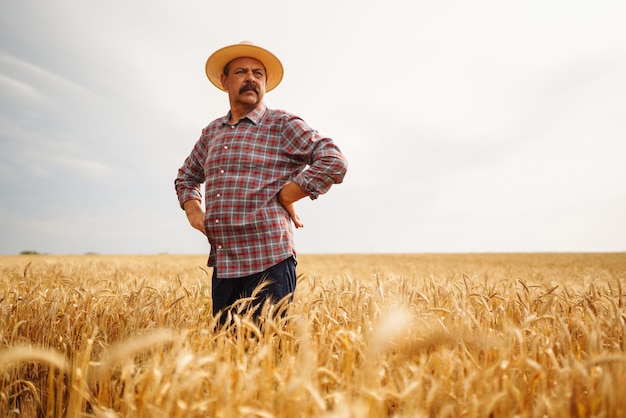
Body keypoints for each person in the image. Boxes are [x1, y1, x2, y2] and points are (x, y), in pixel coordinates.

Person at [175, 41, 348, 326]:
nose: (251, 78)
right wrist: (195, 213)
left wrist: (288, 194)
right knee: (229, 356)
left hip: (270, 261)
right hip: (225, 264)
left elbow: (333, 160)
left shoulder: (281, 124)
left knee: (269, 355)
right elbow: (187, 176)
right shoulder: (212, 133)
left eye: (258, 73)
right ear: (224, 80)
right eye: (242, 72)